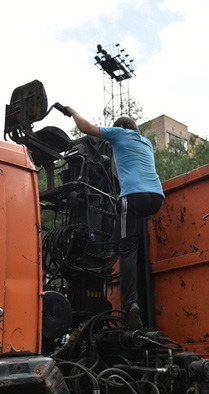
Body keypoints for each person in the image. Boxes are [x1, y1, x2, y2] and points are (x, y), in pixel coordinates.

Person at [65, 106, 164, 329]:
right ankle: (111, 244)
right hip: (156, 198)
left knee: (127, 251)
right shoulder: (146, 142)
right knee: (122, 211)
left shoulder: (119, 133)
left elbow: (87, 128)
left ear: (119, 127)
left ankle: (131, 304)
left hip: (135, 194)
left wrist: (72, 111)